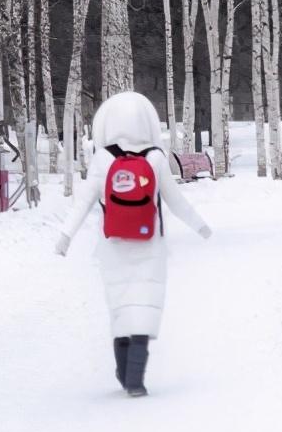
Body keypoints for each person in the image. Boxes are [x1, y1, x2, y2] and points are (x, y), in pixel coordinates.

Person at [55, 91, 211, 397]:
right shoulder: (155, 158)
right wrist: (201, 227)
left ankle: (122, 371)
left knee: (120, 309)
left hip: (112, 246)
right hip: (150, 243)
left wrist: (65, 236)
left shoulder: (102, 159)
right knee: (144, 308)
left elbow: (83, 202)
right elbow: (175, 201)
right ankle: (136, 379)